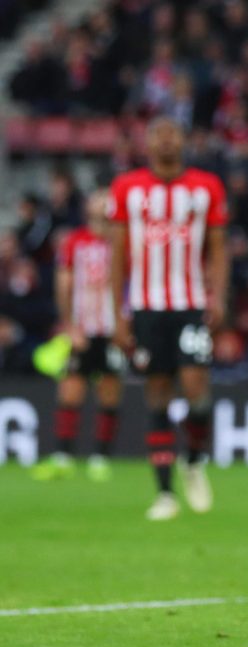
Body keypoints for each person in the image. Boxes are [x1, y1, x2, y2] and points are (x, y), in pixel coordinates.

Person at [109, 116, 228, 521]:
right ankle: (164, 494)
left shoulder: (206, 186)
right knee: (157, 394)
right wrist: (118, 315)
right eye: (157, 134)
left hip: (190, 303)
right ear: (146, 142)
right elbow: (116, 255)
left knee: (198, 392)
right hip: (145, 307)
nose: (165, 141)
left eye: (172, 134)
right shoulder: (126, 188)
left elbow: (217, 248)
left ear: (183, 140)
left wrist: (220, 297)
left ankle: (193, 460)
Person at [32, 190, 123, 482]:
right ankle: (63, 456)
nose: (102, 203)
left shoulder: (123, 241)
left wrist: (127, 327)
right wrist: (70, 326)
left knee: (109, 390)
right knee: (70, 389)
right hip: (83, 328)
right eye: (97, 199)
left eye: (107, 199)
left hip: (113, 329)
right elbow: (63, 287)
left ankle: (101, 458)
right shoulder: (75, 242)